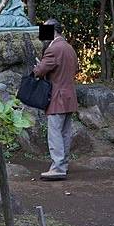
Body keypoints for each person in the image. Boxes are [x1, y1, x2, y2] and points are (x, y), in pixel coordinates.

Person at [33, 19, 78, 180]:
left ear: (52, 31)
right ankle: (63, 164)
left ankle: (58, 167)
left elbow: (40, 71)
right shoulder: (69, 47)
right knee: (65, 133)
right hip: (69, 95)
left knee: (55, 134)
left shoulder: (54, 49)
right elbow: (75, 69)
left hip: (57, 97)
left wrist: (37, 67)